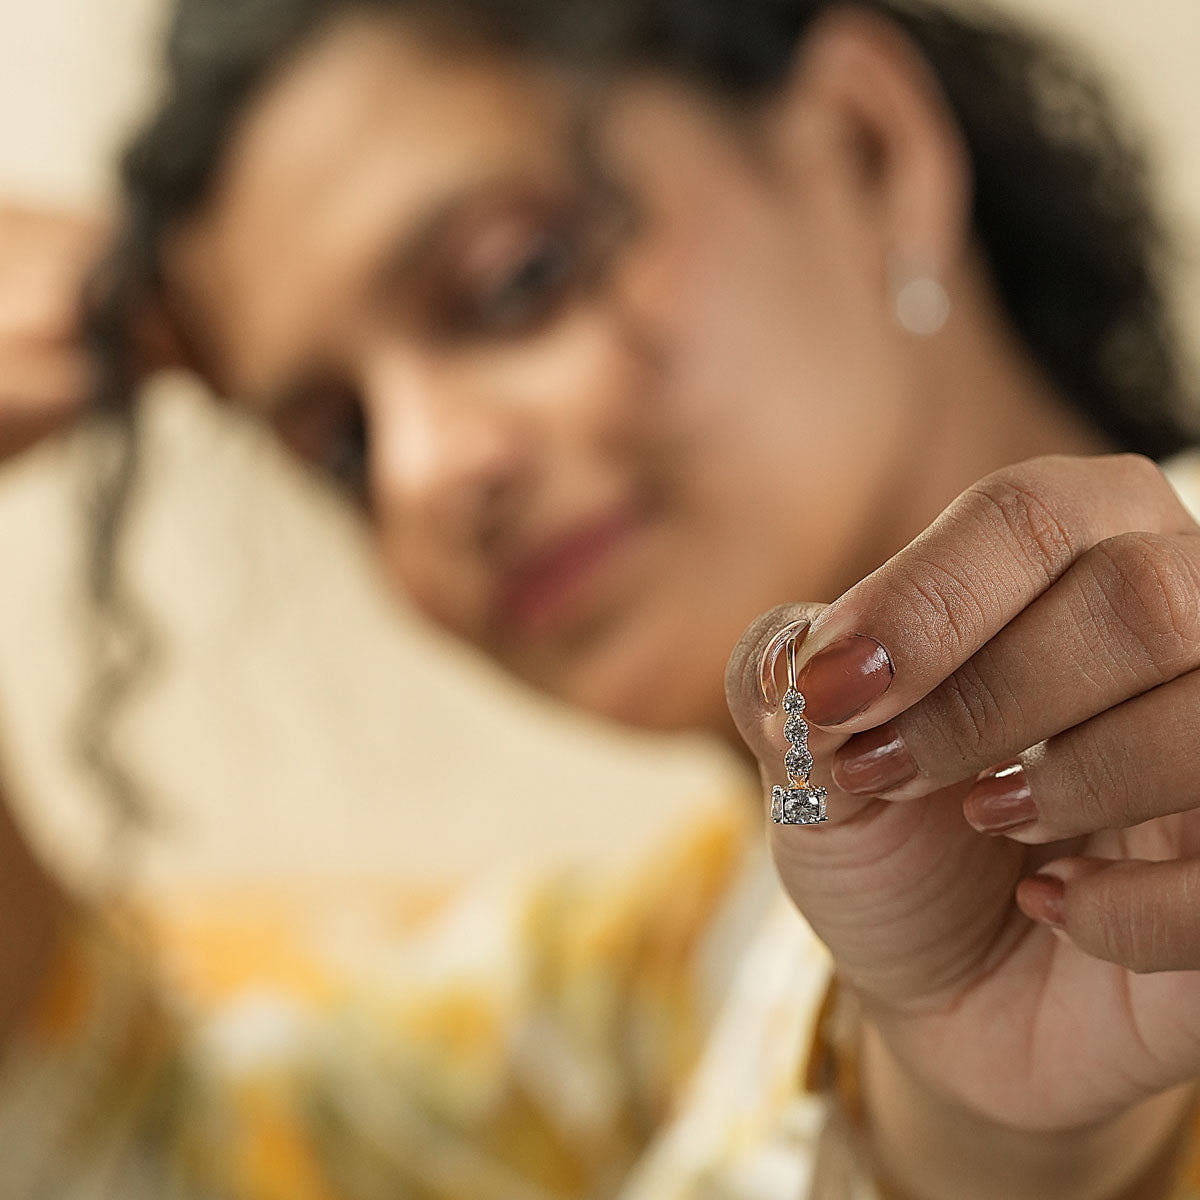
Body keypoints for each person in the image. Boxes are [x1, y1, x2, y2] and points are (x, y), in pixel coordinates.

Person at [2, 0, 1200, 1197]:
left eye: (516, 278)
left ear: (862, 142)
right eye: (340, 447)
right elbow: (155, 1153)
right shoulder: (688, 966)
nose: (422, 471)